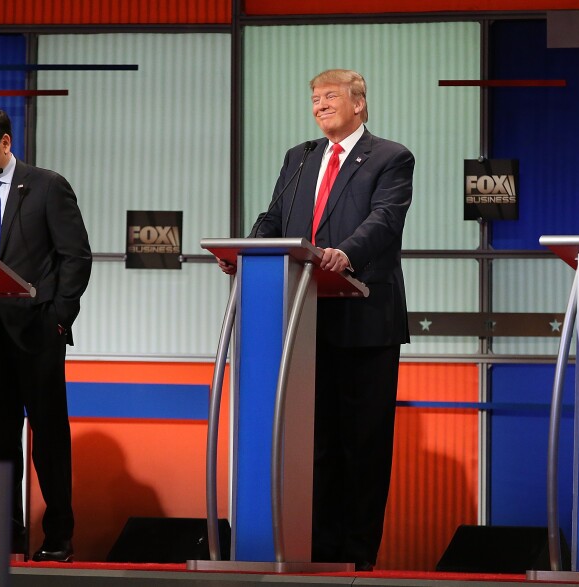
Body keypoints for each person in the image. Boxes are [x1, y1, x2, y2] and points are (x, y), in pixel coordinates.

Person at [218, 69, 414, 570]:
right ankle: (318, 555)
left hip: (366, 319)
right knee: (315, 445)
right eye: (314, 98)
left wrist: (343, 254)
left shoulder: (391, 157)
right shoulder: (300, 157)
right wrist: (245, 251)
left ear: (359, 104)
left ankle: (357, 560)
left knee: (362, 447)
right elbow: (274, 217)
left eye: (330, 97)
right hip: (303, 325)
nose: (320, 106)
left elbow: (385, 221)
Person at [0, 106, 92, 562]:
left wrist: (60, 319)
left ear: (6, 143)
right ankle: (3, 536)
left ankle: (58, 538)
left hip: (38, 334)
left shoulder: (48, 185)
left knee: (49, 438)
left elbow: (76, 257)